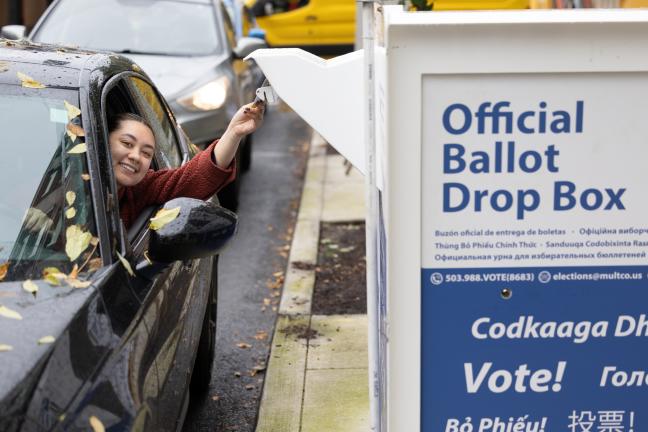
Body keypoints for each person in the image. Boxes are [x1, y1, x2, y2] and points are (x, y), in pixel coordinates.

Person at [109, 101, 264, 229]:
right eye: (127, 143)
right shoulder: (84, 183)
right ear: (104, 141)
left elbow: (197, 176)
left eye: (146, 153)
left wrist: (234, 132)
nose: (136, 156)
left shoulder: (141, 189)